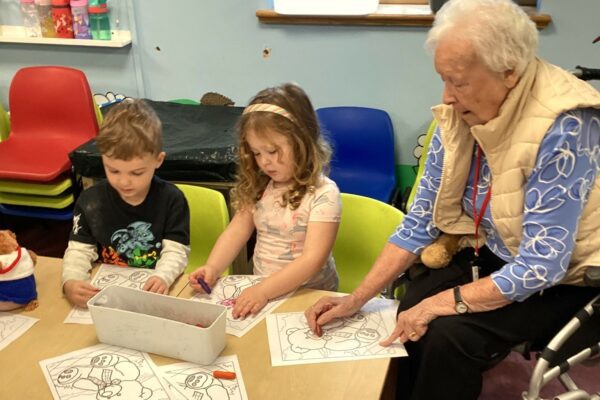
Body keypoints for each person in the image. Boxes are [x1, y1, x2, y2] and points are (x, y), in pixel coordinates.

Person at [305, 0, 600, 399]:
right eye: (442, 79)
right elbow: (419, 221)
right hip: (496, 249)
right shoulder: (459, 112)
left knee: (447, 334)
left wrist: (443, 304)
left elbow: (543, 263)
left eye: (458, 81)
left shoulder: (566, 123)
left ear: (509, 71)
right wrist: (357, 297)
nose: (446, 96)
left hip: (568, 276)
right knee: (410, 301)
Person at [189, 83, 341, 319]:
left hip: (311, 297)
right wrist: (213, 267)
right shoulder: (261, 186)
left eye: (272, 151)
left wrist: (262, 291)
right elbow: (237, 230)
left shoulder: (324, 193)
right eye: (257, 153)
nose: (265, 162)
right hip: (266, 295)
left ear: (303, 143)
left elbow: (312, 260)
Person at [62, 99, 190, 308]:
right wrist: (71, 281)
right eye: (113, 170)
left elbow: (176, 250)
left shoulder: (172, 199)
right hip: (108, 291)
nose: (124, 181)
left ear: (158, 160)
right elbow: (79, 250)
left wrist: (163, 277)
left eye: (136, 172)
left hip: (155, 289)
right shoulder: (90, 201)